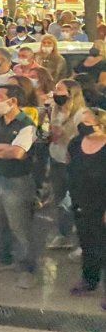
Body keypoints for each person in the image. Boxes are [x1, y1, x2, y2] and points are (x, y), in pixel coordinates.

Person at [0, 84, 39, 289]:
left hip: (16, 181)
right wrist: (3, 148)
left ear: (13, 101)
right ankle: (3, 258)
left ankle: (27, 269)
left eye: (0, 97)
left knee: (20, 226)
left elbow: (17, 153)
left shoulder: (26, 125)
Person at [66, 107, 106, 300]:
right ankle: (89, 279)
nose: (84, 125)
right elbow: (70, 166)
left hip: (102, 204)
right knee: (87, 243)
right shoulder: (75, 143)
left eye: (88, 122)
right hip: (81, 202)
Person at [46, 80, 86, 250]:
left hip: (74, 164)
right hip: (57, 159)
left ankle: (82, 240)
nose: (56, 93)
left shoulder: (81, 115)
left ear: (72, 93)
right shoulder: (55, 110)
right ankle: (63, 234)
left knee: (76, 201)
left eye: (60, 90)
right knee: (60, 199)